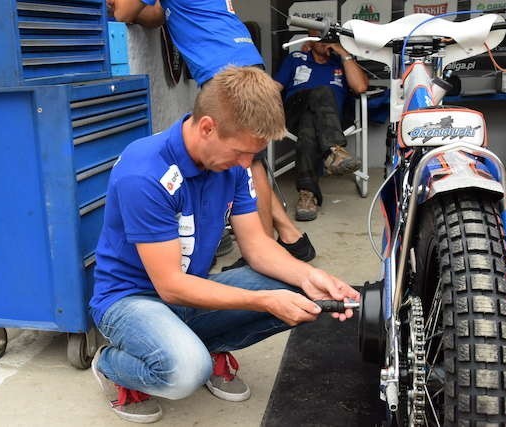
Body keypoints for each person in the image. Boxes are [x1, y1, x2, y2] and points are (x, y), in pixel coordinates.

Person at [89, 66, 359, 423]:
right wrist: (263, 300)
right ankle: (112, 365)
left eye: (254, 154)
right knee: (185, 371)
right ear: (207, 128)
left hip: (188, 291)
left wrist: (311, 277)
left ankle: (207, 343)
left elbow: (257, 245)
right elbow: (169, 286)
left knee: (303, 291)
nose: (246, 164)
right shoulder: (145, 174)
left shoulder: (231, 164)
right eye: (240, 152)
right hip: (131, 299)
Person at [107, 0, 316, 264]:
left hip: (225, 65)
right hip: (240, 58)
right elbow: (157, 16)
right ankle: (290, 236)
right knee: (252, 162)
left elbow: (124, 11)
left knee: (249, 164)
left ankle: (261, 252)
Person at [274, 28, 369, 221]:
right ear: (309, 39)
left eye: (328, 38)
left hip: (330, 120)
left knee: (308, 127)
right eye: (317, 38)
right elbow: (275, 87)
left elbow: (360, 87)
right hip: (295, 112)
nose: (323, 42)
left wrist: (344, 54)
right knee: (321, 93)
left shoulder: (342, 61)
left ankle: (307, 195)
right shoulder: (296, 58)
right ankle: (334, 151)